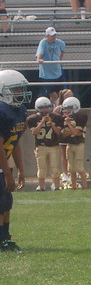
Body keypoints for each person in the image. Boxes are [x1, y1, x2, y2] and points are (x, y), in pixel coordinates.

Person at [0, 70, 29, 252]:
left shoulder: (20, 111)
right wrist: (8, 174)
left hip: (4, 163)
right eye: (16, 89)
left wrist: (21, 170)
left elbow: (15, 142)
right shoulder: (2, 111)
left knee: (6, 201)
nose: (21, 93)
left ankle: (5, 238)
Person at [27, 96, 60, 190]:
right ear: (37, 107)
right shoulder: (32, 119)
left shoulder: (56, 117)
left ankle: (56, 186)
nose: (45, 109)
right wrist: (42, 122)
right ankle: (41, 186)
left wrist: (51, 123)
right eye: (42, 107)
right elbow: (34, 132)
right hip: (40, 146)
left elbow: (58, 133)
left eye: (46, 107)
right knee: (41, 168)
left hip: (53, 145)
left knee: (55, 167)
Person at [60, 96, 88, 190]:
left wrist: (68, 124)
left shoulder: (81, 116)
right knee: (71, 168)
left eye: (69, 108)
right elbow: (64, 135)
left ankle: (85, 187)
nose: (67, 110)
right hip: (70, 144)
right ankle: (74, 187)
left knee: (79, 167)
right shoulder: (64, 118)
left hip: (79, 144)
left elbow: (77, 133)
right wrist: (70, 129)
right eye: (66, 108)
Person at [35, 26, 66, 101]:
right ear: (47, 36)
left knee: (61, 93)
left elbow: (62, 50)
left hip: (57, 73)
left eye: (54, 35)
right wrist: (39, 59)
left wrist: (59, 59)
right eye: (51, 36)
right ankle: (54, 108)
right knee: (52, 94)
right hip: (46, 75)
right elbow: (40, 54)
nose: (53, 37)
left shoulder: (60, 42)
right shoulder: (43, 43)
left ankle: (58, 108)